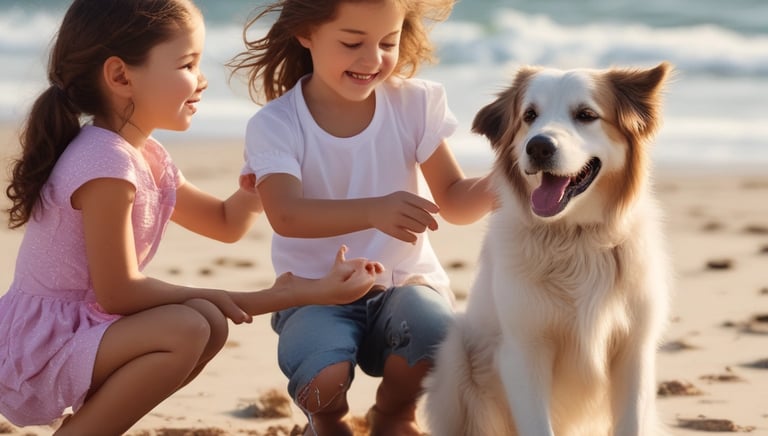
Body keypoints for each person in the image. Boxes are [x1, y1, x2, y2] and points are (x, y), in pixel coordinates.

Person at [0, 1, 384, 435]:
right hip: (43, 344)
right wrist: (290, 293)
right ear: (121, 76)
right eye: (187, 64)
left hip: (84, 328)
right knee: (189, 325)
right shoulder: (105, 165)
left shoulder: (145, 156)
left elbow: (223, 223)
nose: (202, 81)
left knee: (206, 324)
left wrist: (257, 186)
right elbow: (119, 292)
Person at [228, 0, 496, 434]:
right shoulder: (276, 124)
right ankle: (327, 419)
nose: (372, 59)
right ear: (306, 33)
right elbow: (286, 214)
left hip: (404, 288)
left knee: (438, 336)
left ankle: (393, 413)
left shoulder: (413, 105)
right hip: (315, 295)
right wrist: (374, 210)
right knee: (322, 376)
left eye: (387, 42)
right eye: (352, 42)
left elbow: (455, 200)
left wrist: (506, 181)